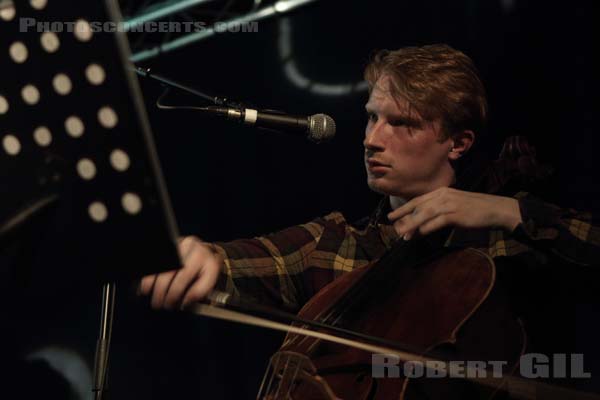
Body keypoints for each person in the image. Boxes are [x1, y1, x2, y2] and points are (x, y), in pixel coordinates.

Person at [139, 45, 600, 391]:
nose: (372, 140)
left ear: (457, 143)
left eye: (401, 123)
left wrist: (508, 209)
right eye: (371, 118)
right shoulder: (338, 241)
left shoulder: (505, 241)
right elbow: (257, 259)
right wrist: (205, 255)